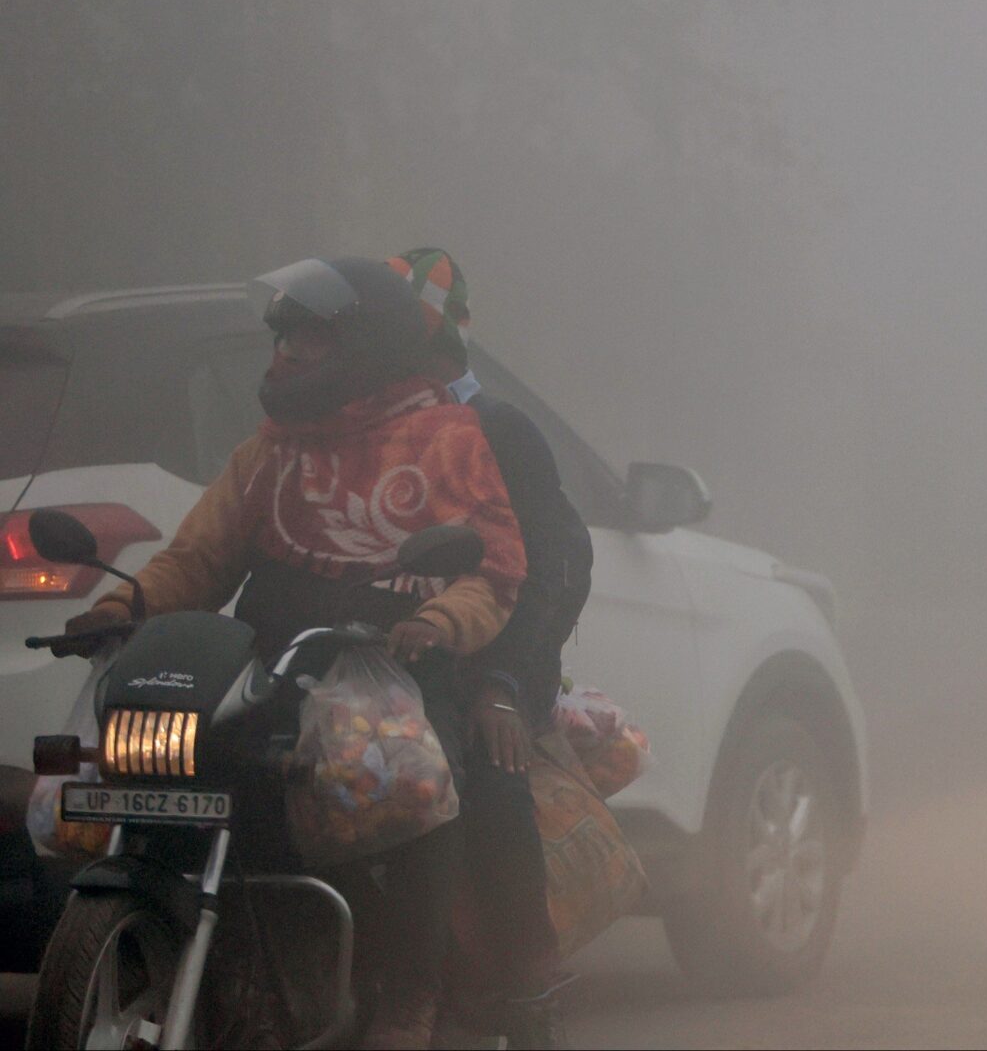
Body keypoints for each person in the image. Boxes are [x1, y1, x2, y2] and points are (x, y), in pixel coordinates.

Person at [60, 256, 527, 1050]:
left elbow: (493, 573)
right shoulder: (269, 452)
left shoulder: (446, 440)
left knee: (417, 785)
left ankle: (408, 995)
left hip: (396, 674)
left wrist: (439, 620)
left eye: (307, 342)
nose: (286, 357)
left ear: (368, 345)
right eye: (283, 340)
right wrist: (117, 610)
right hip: (266, 675)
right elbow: (196, 560)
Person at [390, 248, 594, 1041]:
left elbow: (555, 567)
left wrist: (504, 682)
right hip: (398, 655)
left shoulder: (500, 429)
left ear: (452, 337)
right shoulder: (358, 431)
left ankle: (526, 980)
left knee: (490, 779)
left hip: (496, 660)